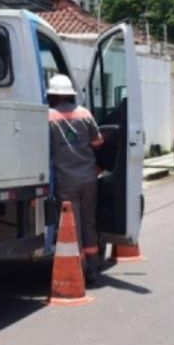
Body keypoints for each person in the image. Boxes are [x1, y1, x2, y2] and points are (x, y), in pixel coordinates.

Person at [47, 74, 103, 284]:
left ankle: (77, 269)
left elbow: (46, 148)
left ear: (52, 96)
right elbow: (97, 142)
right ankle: (93, 268)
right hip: (89, 178)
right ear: (70, 94)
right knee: (89, 222)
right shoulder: (84, 114)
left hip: (66, 180)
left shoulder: (49, 117)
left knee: (72, 226)